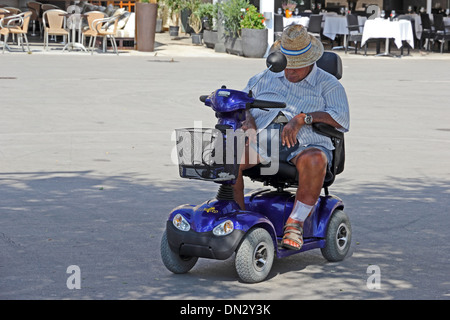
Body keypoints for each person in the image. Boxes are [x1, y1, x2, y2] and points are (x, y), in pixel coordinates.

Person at [233, 24, 350, 250]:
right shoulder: (265, 77)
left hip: (307, 144)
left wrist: (303, 119)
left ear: (311, 60)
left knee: (315, 159)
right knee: (228, 155)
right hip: (265, 140)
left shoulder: (328, 84)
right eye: (287, 65)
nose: (290, 71)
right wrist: (247, 120)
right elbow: (244, 102)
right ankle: (239, 218)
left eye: (297, 67)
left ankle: (295, 223)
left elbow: (342, 120)